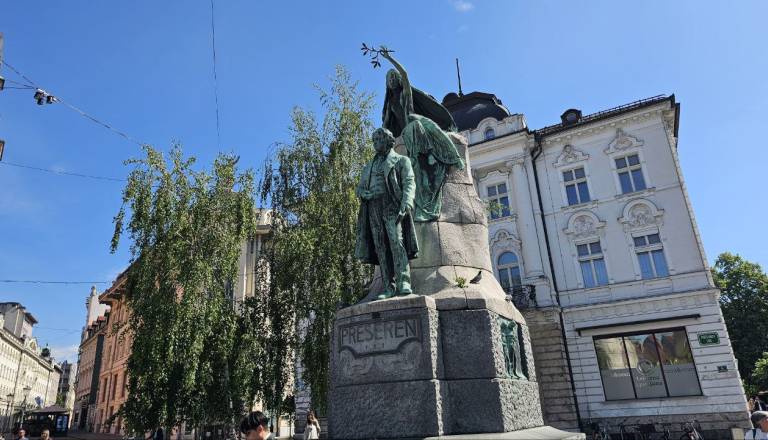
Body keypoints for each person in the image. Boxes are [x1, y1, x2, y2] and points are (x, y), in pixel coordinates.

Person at [355, 127, 419, 299]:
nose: (376, 144)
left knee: (397, 242)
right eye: (374, 141)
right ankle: (387, 286)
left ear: (388, 141)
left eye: (379, 140)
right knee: (380, 247)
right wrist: (363, 193)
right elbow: (360, 187)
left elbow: (409, 182)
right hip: (373, 207)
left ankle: (403, 281)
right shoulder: (368, 166)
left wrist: (406, 202)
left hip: (392, 205)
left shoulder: (400, 160)